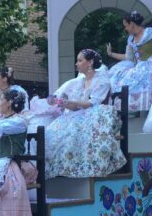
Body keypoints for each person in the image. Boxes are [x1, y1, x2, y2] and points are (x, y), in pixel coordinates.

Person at [44, 49, 126, 179]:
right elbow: (74, 107)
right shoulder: (78, 82)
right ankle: (65, 169)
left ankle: (89, 168)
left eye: (80, 60)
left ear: (90, 62)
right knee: (54, 131)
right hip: (78, 115)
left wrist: (70, 102)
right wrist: (61, 102)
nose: (76, 63)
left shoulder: (101, 80)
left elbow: (91, 103)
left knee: (75, 130)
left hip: (93, 114)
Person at [105, 11, 152, 112]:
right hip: (136, 67)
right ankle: (126, 107)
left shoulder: (151, 33)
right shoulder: (130, 39)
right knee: (117, 78)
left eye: (126, 26)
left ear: (132, 24)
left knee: (145, 76)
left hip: (151, 66)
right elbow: (128, 58)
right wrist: (111, 54)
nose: (125, 28)